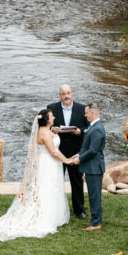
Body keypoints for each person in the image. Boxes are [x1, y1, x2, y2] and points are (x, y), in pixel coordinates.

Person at [0, 109, 70, 241]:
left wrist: (54, 133)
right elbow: (53, 151)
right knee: (46, 189)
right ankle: (46, 217)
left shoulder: (48, 131)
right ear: (46, 119)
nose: (54, 117)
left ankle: (55, 216)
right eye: (52, 116)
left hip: (53, 164)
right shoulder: (44, 133)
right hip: (47, 164)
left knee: (54, 188)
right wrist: (67, 160)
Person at [48, 84, 89, 219]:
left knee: (77, 181)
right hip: (58, 152)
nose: (66, 96)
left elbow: (87, 127)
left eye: (68, 93)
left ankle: (79, 210)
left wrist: (80, 131)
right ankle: (54, 208)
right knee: (56, 180)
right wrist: (51, 129)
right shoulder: (52, 108)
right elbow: (45, 126)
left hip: (75, 151)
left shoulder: (82, 108)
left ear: (72, 94)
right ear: (60, 95)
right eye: (63, 94)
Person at [73, 102, 105, 231]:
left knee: (94, 196)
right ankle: (94, 219)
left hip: (95, 168)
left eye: (86, 113)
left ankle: (96, 223)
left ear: (92, 113)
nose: (85, 115)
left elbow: (93, 151)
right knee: (92, 195)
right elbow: (86, 147)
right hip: (91, 167)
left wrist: (79, 159)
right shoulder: (93, 126)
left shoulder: (97, 129)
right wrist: (77, 155)